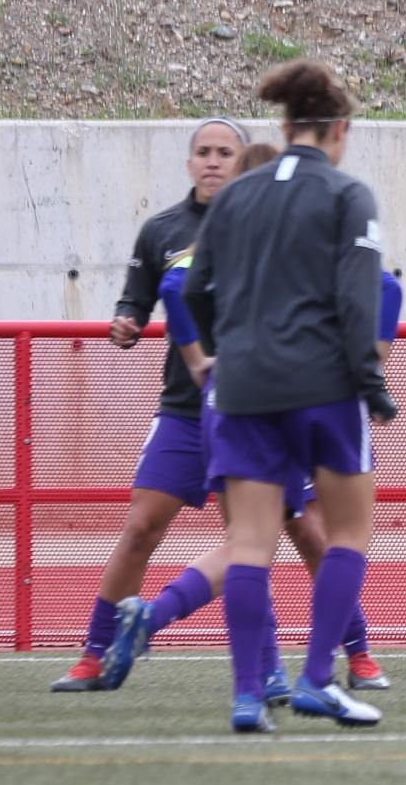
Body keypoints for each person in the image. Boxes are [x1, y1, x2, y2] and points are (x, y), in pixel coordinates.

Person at [46, 119, 339, 691]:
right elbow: (137, 301)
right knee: (140, 527)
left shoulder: (268, 228)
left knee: (251, 542)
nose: (212, 161)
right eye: (202, 152)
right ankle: (95, 653)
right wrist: (126, 322)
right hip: (185, 409)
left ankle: (272, 665)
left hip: (251, 410)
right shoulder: (163, 231)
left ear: (243, 161)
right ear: (188, 163)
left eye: (224, 153)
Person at [97, 187, 406, 701]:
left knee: (258, 541)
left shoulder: (233, 237)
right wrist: (368, 372)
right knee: (300, 537)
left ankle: (263, 681)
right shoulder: (292, 242)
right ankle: (308, 673)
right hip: (283, 404)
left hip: (233, 398)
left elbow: (178, 287)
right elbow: (386, 291)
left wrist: (202, 359)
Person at [179, 59, 396, 732]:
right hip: (325, 387)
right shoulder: (345, 195)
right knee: (349, 533)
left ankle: (248, 698)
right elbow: (360, 300)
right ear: (340, 129)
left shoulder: (235, 196)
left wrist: (237, 344)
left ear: (283, 124)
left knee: (250, 544)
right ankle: (315, 681)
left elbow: (193, 291)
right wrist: (371, 384)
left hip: (241, 388)